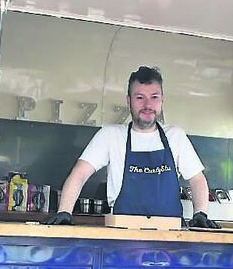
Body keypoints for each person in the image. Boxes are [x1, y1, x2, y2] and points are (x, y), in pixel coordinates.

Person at [44, 65, 219, 228]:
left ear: (162, 100)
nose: (147, 105)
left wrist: (201, 213)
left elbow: (197, 179)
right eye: (140, 97)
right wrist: (64, 211)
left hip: (171, 239)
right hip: (124, 237)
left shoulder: (176, 136)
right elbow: (79, 174)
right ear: (128, 101)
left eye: (154, 97)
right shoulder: (111, 136)